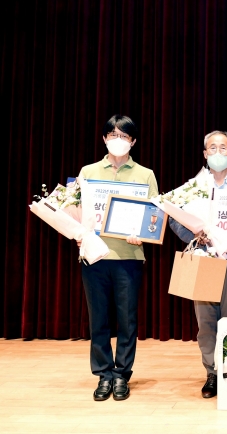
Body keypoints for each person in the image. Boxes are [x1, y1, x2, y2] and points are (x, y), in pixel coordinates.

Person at [78, 114, 158, 401]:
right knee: (98, 319)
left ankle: (122, 374)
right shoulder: (88, 172)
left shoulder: (145, 174)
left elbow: (153, 218)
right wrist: (76, 230)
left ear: (133, 141)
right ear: (103, 138)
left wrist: (144, 234)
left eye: (124, 136)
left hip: (129, 256)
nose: (118, 140)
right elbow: (77, 211)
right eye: (113, 134)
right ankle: (103, 374)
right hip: (94, 256)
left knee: (127, 320)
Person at [169, 130, 227, 399]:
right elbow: (173, 218)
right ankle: (212, 373)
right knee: (206, 324)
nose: (218, 152)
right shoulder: (191, 187)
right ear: (205, 154)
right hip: (205, 261)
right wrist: (194, 234)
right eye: (212, 148)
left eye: (223, 147)